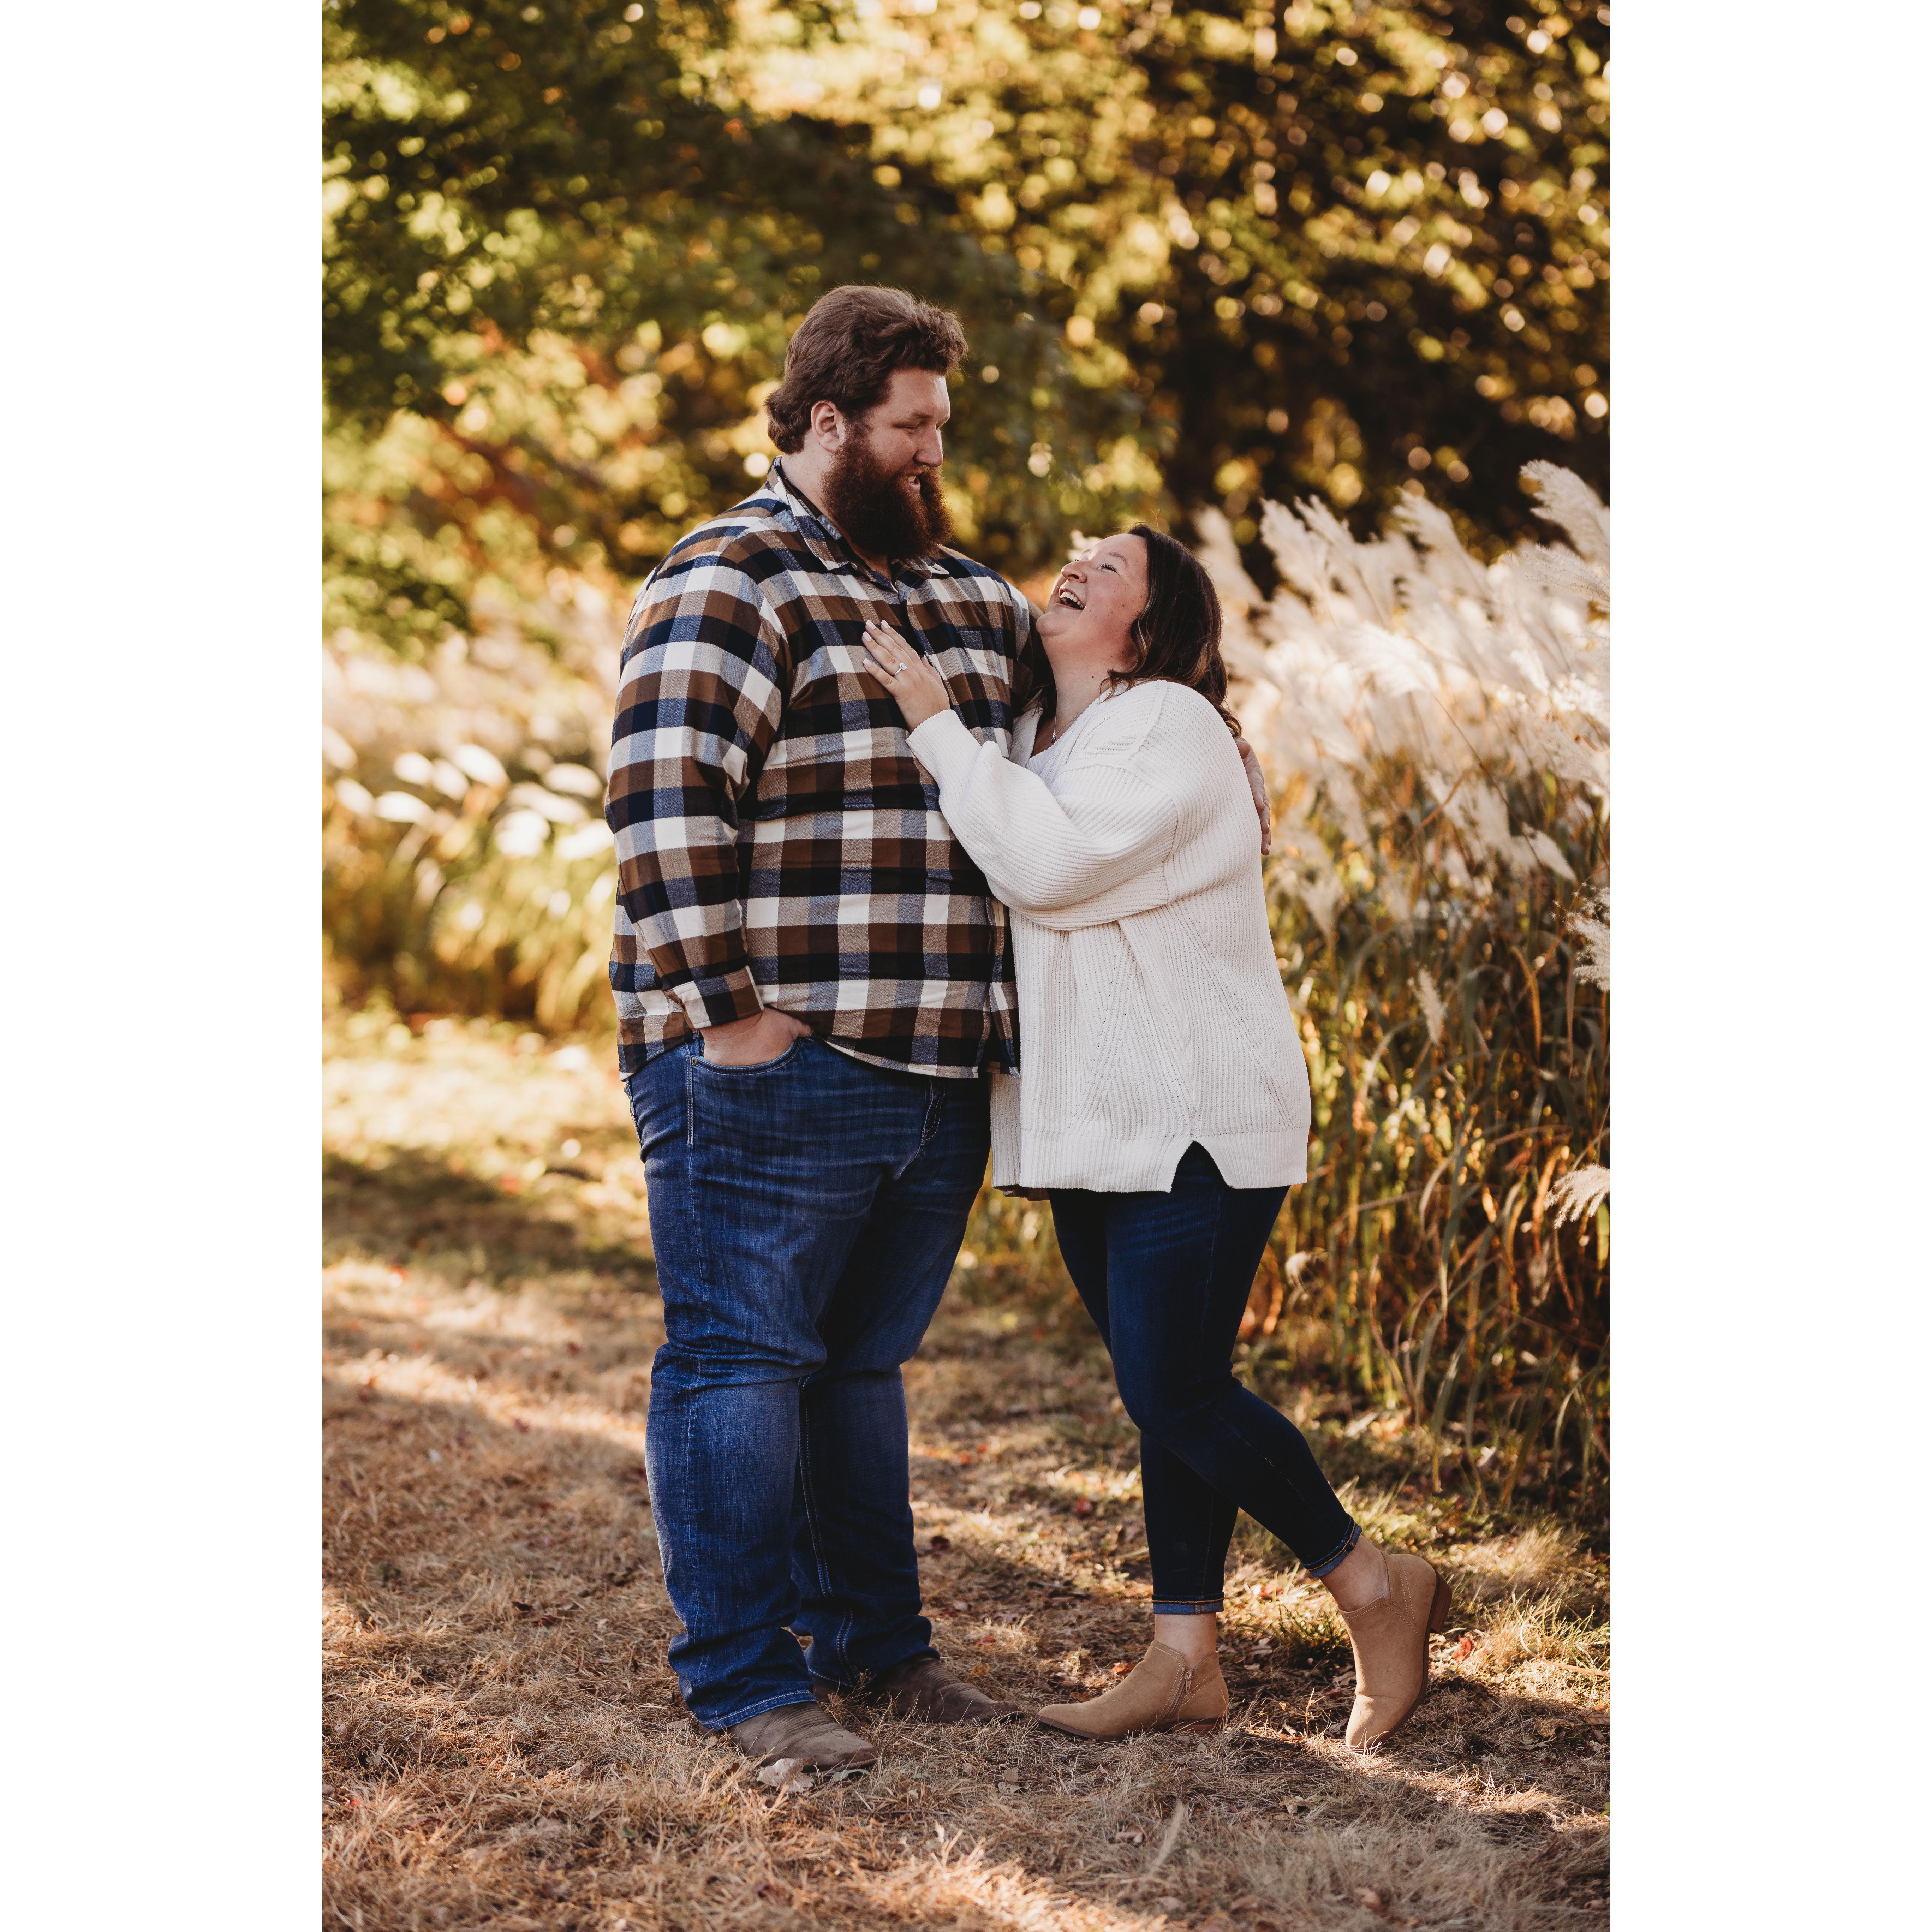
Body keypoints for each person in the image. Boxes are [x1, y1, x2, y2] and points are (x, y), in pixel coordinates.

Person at [860, 530, 1451, 1751]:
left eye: (1113, 564)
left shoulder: (1171, 722)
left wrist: (932, 724)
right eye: (1078, 550)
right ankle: (1186, 1658)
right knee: (1170, 1394)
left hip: (1192, 1113)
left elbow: (1049, 866)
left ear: (1149, 628)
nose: (1077, 561)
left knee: (1172, 1384)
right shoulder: (1038, 736)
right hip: (1094, 1122)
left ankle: (1374, 1584)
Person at [604, 286, 1035, 1773]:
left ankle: (878, 1650)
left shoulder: (976, 599)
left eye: (942, 426)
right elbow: (664, 804)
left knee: (860, 1372)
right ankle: (747, 1685)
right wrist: (729, 1020)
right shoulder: (733, 574)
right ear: (830, 420)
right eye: (911, 426)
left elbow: (1067, 772)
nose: (934, 453)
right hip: (775, 1063)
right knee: (741, 1361)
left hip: (937, 1071)